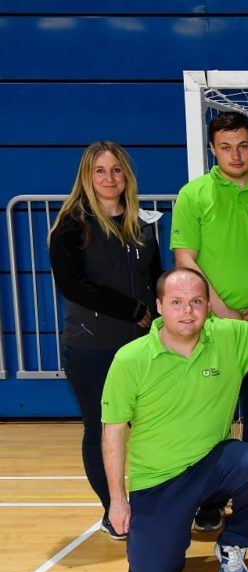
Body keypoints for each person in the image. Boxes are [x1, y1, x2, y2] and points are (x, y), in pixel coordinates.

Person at [101, 268, 248, 572]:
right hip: (159, 480)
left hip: (212, 464)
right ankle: (171, 529)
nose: (188, 311)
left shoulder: (228, 337)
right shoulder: (130, 359)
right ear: (159, 306)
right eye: (177, 302)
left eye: (196, 301)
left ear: (209, 306)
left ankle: (234, 543)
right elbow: (112, 431)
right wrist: (117, 500)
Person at [170, 110, 248, 526]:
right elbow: (185, 259)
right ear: (212, 149)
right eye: (225, 147)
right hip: (210, 329)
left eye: (242, 145)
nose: (235, 154)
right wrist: (217, 308)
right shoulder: (193, 196)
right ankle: (207, 499)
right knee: (212, 418)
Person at [48, 141, 163, 540]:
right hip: (92, 348)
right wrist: (132, 309)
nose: (109, 178)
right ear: (87, 176)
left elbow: (156, 280)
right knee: (101, 428)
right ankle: (112, 510)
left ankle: (153, 502)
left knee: (151, 427)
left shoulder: (143, 224)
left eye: (116, 170)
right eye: (100, 170)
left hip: (143, 347)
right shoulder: (71, 225)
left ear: (126, 175)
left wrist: (163, 319)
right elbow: (73, 286)